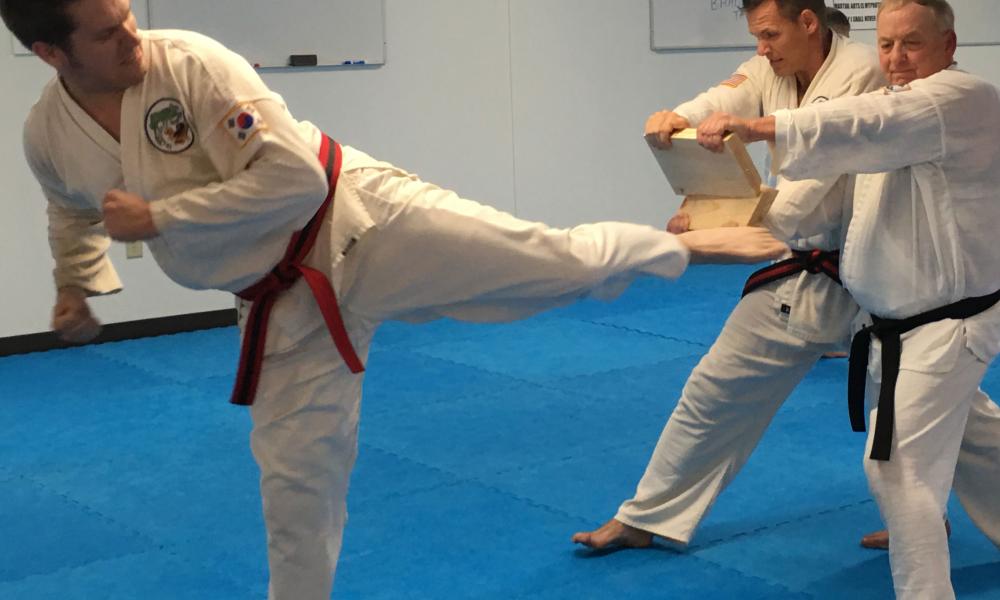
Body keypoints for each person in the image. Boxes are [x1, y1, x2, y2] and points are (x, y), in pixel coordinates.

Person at [0, 0, 788, 598]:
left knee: (547, 261)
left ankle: (679, 246)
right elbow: (71, 208)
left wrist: (162, 217)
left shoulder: (192, 62)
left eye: (129, 15)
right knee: (295, 475)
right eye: (106, 34)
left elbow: (293, 179)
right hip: (281, 301)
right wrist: (75, 286)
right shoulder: (50, 135)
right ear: (49, 54)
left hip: (358, 220)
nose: (133, 35)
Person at [695, 1, 1000, 596]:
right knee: (973, 438)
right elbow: (837, 156)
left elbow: (861, 123)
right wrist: (716, 214)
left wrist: (761, 128)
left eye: (911, 44)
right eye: (885, 45)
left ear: (949, 43)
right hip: (891, 322)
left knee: (896, 465)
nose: (896, 59)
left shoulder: (964, 98)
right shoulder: (891, 110)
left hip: (947, 327)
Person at [573, 0, 886, 551]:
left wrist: (715, 230)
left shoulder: (861, 69)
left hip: (876, 278)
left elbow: (814, 176)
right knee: (714, 390)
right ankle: (647, 517)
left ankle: (918, 520)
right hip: (803, 272)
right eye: (757, 36)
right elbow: (731, 94)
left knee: (929, 413)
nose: (761, 47)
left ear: (808, 22)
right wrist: (681, 116)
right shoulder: (773, 66)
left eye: (770, 34)